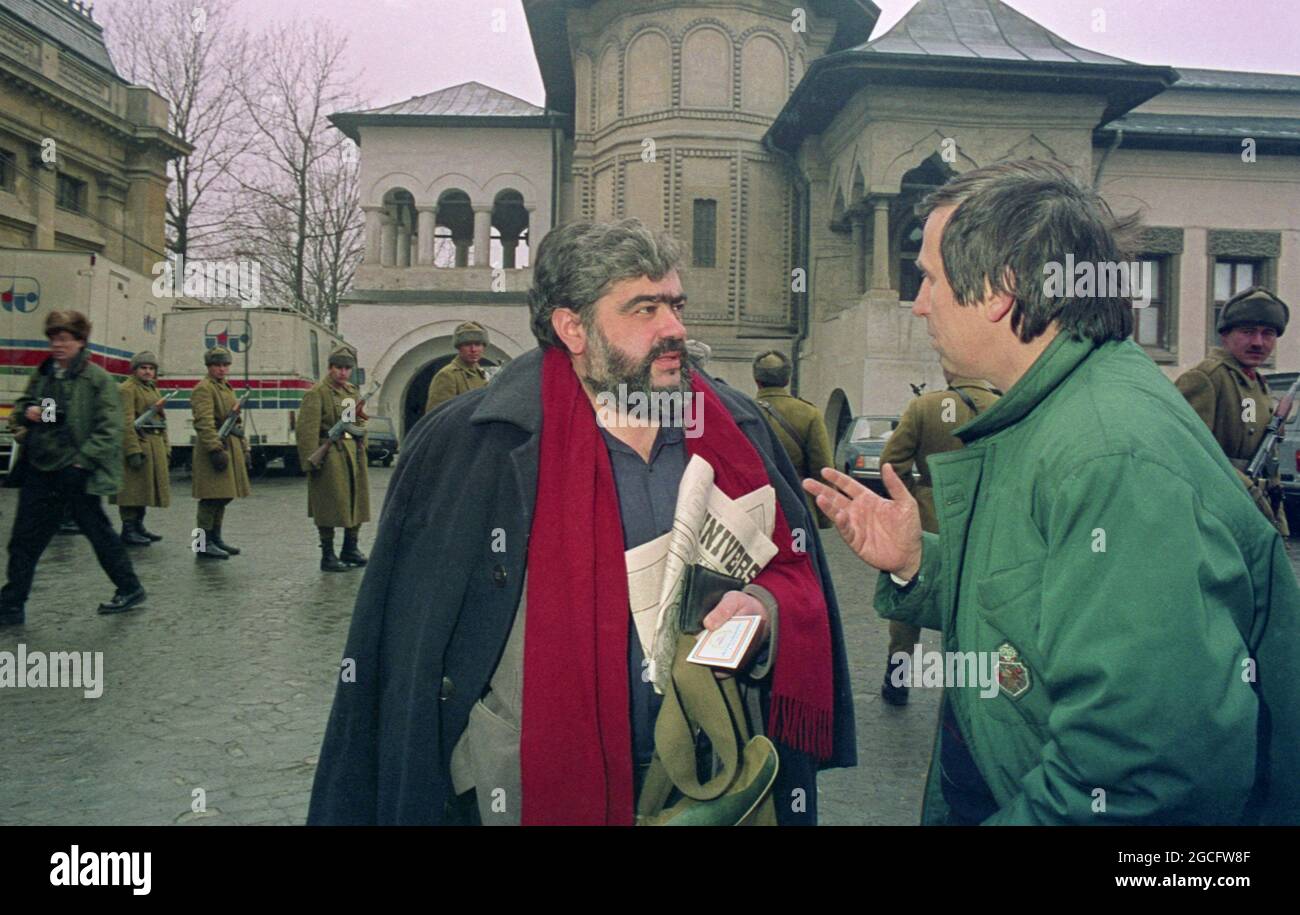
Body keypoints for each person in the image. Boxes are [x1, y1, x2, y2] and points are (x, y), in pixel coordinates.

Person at [309, 218, 856, 825]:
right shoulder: (472, 444)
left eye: (675, 304)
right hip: (526, 781)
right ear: (573, 327)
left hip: (712, 773)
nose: (674, 328)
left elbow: (796, 573)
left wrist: (765, 608)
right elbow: (404, 644)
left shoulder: (738, 427)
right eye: (644, 310)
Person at [805, 160, 1300, 825]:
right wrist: (921, 562)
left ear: (1001, 290)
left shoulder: (1109, 454)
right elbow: (1042, 596)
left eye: (927, 277)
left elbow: (1140, 777)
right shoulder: (1055, 407)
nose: (919, 302)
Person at [0, 310, 147, 624]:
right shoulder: (47, 374)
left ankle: (130, 587)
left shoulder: (97, 379)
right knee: (25, 538)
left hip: (75, 472)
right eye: (54, 338)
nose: (58, 345)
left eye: (65, 339)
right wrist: (30, 413)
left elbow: (110, 428)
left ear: (80, 341)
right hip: (41, 468)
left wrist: (83, 461)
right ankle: (12, 604)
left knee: (99, 533)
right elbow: (43, 411)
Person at [877, 369, 999, 706]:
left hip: (927, 515)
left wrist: (916, 495)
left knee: (909, 597)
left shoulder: (924, 407)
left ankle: (897, 678)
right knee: (969, 600)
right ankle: (965, 687)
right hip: (983, 516)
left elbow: (891, 464)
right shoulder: (1003, 406)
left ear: (948, 372)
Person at [1175, 286, 1292, 535]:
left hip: (1255, 514)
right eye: (1247, 332)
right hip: (1219, 516)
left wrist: (1278, 523)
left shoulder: (1258, 383)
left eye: (1267, 333)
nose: (1258, 342)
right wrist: (1245, 489)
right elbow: (1187, 454)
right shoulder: (1206, 378)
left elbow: (1269, 465)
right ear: (1225, 335)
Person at [296, 345, 370, 572]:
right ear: (330, 368)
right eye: (338, 368)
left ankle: (350, 548)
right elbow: (306, 431)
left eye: (347, 368)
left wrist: (361, 440)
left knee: (355, 501)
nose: (343, 373)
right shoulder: (317, 393)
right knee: (329, 506)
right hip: (329, 456)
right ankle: (327, 555)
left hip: (352, 453)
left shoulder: (350, 392)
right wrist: (311, 461)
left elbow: (355, 422)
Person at [752, 350, 835, 531]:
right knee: (800, 554)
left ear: (756, 380)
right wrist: (823, 516)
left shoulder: (744, 411)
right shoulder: (808, 413)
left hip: (755, 505)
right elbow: (822, 468)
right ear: (787, 379)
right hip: (798, 502)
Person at [190, 346, 251, 560]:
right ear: (209, 366)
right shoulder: (204, 388)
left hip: (229, 445)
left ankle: (215, 538)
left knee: (223, 495)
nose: (222, 369)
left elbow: (235, 419)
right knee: (209, 499)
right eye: (217, 365)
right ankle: (201, 544)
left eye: (225, 365)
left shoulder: (225, 387)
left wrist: (244, 446)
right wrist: (215, 449)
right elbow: (204, 422)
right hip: (213, 448)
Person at [113, 351, 171, 546]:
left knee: (145, 488)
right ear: (135, 369)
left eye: (151, 368)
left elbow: (161, 420)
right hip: (138, 443)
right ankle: (128, 529)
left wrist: (166, 446)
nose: (148, 372)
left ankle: (138, 526)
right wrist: (132, 450)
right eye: (143, 368)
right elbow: (125, 421)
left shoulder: (152, 389)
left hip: (153, 444)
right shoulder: (127, 389)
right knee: (132, 490)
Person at [424, 321, 489, 413]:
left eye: (478, 344)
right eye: (467, 345)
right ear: (459, 347)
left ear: (483, 347)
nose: (473, 350)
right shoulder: (448, 375)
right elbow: (437, 416)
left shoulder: (481, 374)